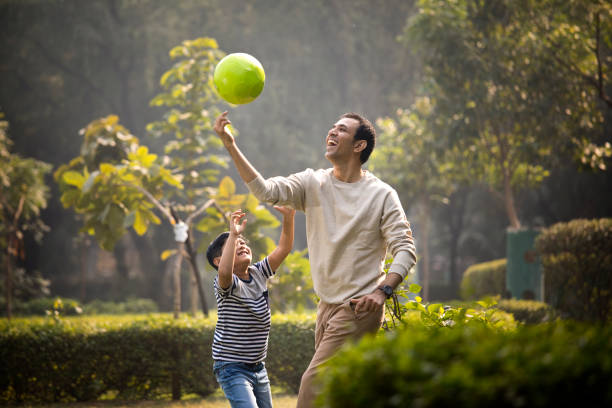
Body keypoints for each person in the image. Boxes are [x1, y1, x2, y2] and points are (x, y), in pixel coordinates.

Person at [214, 111, 417, 408]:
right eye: (332, 127)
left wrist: (382, 290)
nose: (332, 133)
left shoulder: (382, 195)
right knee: (338, 392)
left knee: (312, 386)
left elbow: (405, 249)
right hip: (327, 307)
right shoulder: (312, 183)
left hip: (359, 306)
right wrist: (230, 145)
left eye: (342, 130)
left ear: (359, 146)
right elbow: (266, 191)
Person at [206, 206, 295, 408]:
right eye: (234, 244)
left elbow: (284, 248)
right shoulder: (226, 284)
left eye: (243, 242)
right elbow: (226, 271)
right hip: (231, 367)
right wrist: (233, 234)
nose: (242, 244)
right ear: (218, 261)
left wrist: (289, 217)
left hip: (258, 367)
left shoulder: (259, 273)